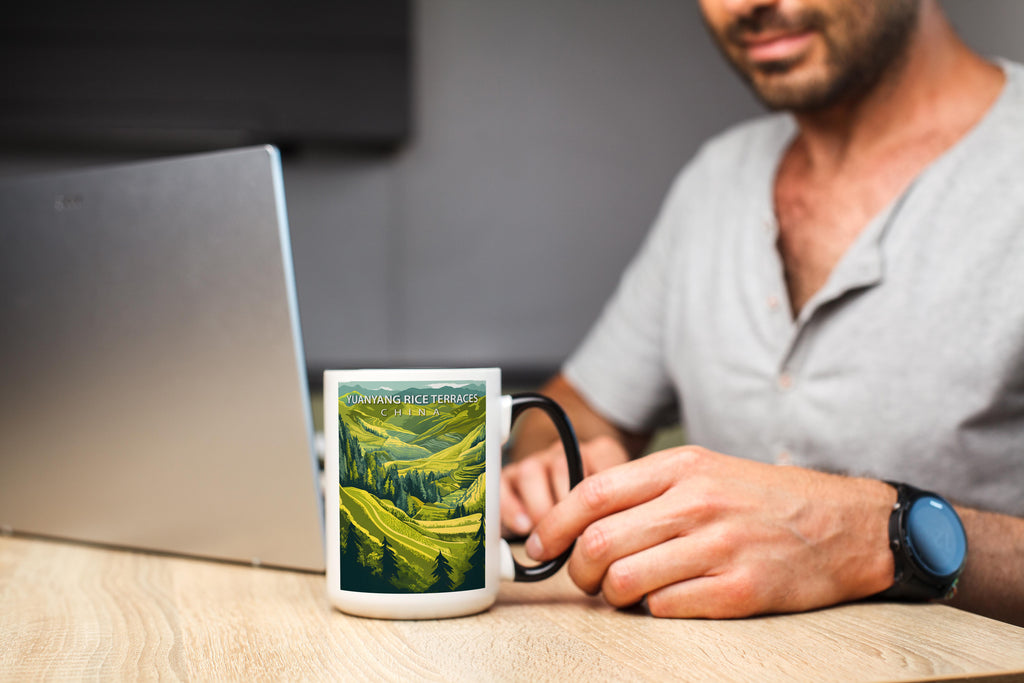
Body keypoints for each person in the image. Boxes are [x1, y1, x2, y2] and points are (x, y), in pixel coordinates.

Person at [500, 0, 1024, 626]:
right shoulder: (714, 182)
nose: (748, 4)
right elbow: (576, 408)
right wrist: (562, 462)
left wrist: (874, 536)